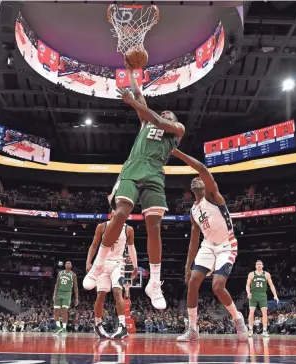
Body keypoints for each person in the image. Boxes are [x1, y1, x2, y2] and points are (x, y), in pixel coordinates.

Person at [84, 59, 185, 310]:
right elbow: (139, 93)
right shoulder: (147, 122)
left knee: (154, 226)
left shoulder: (176, 128)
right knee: (120, 213)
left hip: (154, 171)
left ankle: (155, 282)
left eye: (167, 113)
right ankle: (99, 265)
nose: (164, 114)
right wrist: (131, 73)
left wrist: (134, 103)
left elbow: (160, 121)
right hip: (133, 166)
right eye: (161, 113)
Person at [171, 150, 248, 342]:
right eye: (193, 180)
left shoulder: (213, 196)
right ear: (190, 192)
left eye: (199, 179)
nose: (196, 180)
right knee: (193, 282)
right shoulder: (193, 210)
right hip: (207, 246)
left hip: (226, 245)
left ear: (205, 185)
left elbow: (202, 168)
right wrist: (188, 266)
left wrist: (176, 152)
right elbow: (194, 240)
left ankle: (237, 318)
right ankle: (192, 329)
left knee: (217, 286)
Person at [86, 212, 137, 339]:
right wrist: (88, 261)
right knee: (101, 294)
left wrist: (135, 266)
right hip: (102, 262)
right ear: (111, 213)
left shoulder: (128, 229)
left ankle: (122, 326)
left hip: (118, 264)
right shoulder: (102, 226)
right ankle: (97, 325)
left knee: (117, 292)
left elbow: (131, 248)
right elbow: (93, 245)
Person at [246, 260, 279, 337]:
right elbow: (247, 285)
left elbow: (271, 285)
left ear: (262, 265)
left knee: (264, 313)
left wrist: (275, 295)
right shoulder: (251, 274)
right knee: (251, 312)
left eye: (260, 264)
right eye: (257, 264)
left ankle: (264, 330)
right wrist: (248, 293)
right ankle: (250, 329)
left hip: (263, 295)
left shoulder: (266, 274)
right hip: (253, 294)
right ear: (255, 266)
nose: (259, 265)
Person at [53, 261, 78, 335]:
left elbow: (75, 287)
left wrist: (76, 298)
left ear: (71, 265)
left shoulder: (73, 275)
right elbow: (57, 284)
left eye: (69, 263)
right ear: (64, 265)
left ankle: (64, 328)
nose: (68, 264)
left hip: (67, 293)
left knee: (64, 310)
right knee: (56, 311)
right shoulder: (60, 273)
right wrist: (54, 294)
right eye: (66, 263)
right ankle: (58, 327)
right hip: (59, 293)